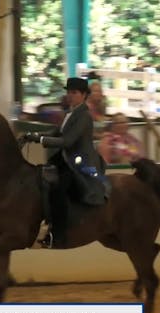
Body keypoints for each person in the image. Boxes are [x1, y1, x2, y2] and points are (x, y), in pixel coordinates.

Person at [23, 77, 108, 248]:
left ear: (84, 95)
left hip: (80, 164)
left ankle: (58, 235)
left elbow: (67, 141)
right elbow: (56, 131)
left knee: (59, 190)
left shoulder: (84, 116)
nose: (70, 95)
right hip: (66, 159)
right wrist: (33, 135)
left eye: (74, 92)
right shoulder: (71, 112)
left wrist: (40, 140)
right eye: (68, 92)